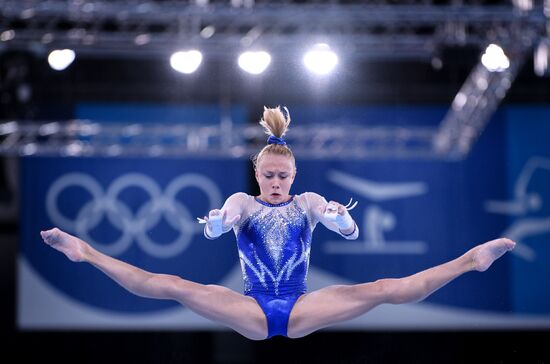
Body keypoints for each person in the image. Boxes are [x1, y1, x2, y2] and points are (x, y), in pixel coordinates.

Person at [40, 106, 516, 340]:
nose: (274, 182)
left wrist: (339, 219)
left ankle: (471, 261)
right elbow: (216, 226)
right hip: (251, 308)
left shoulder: (307, 199)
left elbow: (347, 231)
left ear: (295, 175)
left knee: (385, 287)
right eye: (267, 175)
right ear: (256, 174)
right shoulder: (242, 202)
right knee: (170, 283)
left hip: (302, 305)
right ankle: (86, 252)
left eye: (282, 176)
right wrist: (219, 224)